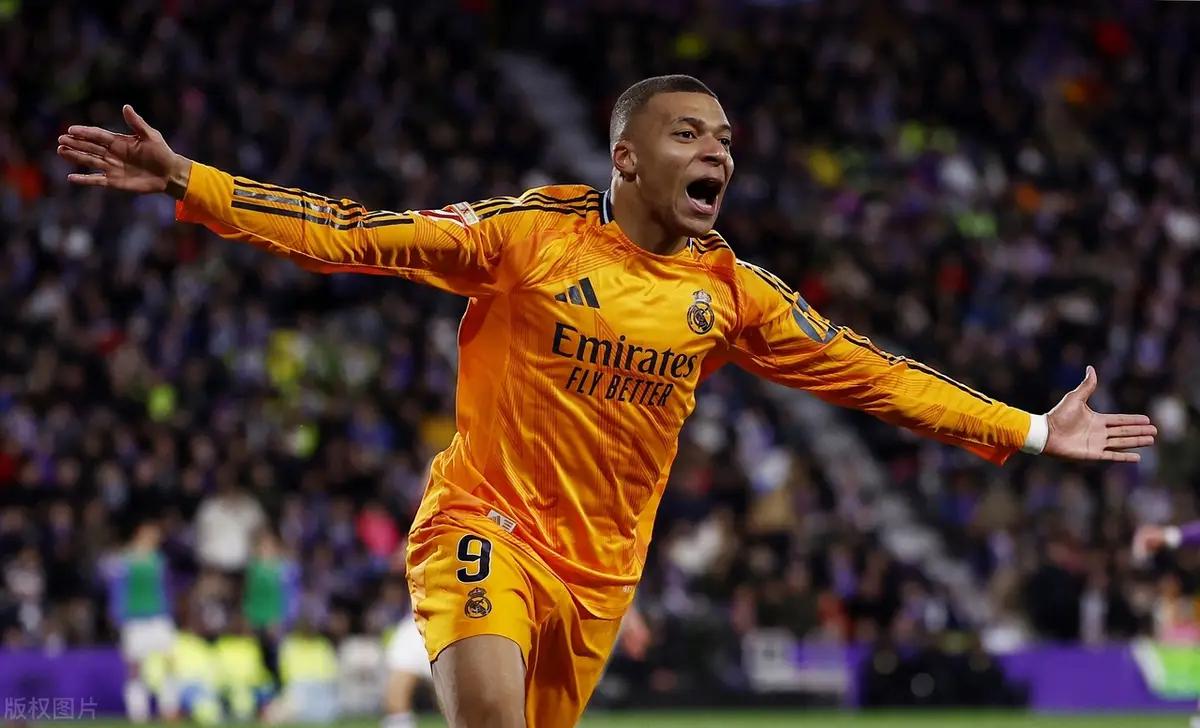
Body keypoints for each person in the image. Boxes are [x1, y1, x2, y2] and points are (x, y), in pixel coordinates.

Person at [58, 75, 1157, 727]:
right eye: (690, 135)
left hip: (599, 577)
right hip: (483, 524)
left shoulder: (733, 294)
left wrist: (1027, 427)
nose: (716, 152)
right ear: (626, 159)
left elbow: (877, 374)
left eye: (725, 140)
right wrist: (193, 181)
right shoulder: (528, 237)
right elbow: (355, 233)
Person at [102, 520, 179, 723]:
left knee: (168, 661)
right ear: (139, 534)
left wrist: (169, 611)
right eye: (150, 533)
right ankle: (138, 710)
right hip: (134, 618)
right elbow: (117, 589)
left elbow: (165, 589)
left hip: (158, 616)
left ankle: (169, 706)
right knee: (135, 666)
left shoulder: (159, 560)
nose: (154, 538)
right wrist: (117, 614)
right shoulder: (124, 560)